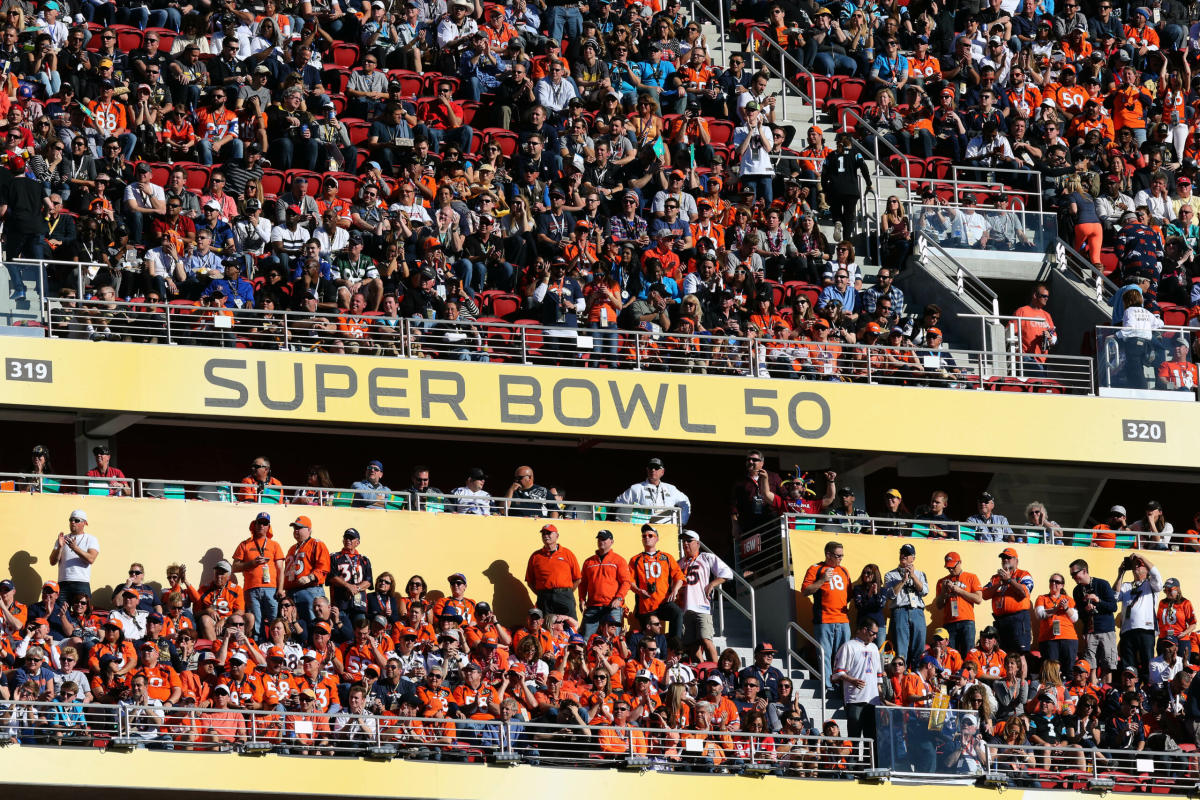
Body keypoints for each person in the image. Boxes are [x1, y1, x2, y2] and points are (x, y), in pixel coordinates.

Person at [800, 541, 851, 692]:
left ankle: (842, 685)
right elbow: (805, 591)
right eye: (838, 556)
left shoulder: (844, 570)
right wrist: (822, 580)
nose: (841, 559)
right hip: (824, 619)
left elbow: (848, 595)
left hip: (843, 620)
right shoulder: (815, 568)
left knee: (843, 656)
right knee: (825, 655)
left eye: (842, 555)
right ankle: (828, 686)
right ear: (828, 555)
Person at [677, 530, 732, 663]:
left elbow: (727, 573)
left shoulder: (706, 557)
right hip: (684, 608)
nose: (685, 543)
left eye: (689, 541)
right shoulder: (679, 562)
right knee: (692, 647)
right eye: (683, 541)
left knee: (706, 640)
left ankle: (716, 671)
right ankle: (704, 671)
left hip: (702, 607)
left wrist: (713, 583)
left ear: (698, 543)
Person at [231, 512, 286, 639]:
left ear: (268, 527)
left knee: (274, 620)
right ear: (254, 525)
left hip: (272, 589)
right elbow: (234, 567)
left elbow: (280, 569)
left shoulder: (274, 545)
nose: (262, 525)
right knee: (256, 622)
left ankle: (276, 645)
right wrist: (251, 563)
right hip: (251, 589)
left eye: (265, 523)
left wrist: (280, 588)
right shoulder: (245, 544)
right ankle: (258, 646)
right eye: (259, 523)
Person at [628, 523, 685, 640]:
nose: (647, 538)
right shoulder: (635, 559)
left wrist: (675, 590)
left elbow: (679, 577)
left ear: (657, 538)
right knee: (651, 638)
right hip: (646, 606)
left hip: (664, 602)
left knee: (677, 613)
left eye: (650, 535)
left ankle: (675, 647)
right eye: (644, 536)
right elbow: (629, 581)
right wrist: (638, 591)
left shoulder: (667, 557)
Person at [833, 618, 883, 740]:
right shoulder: (848, 646)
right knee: (854, 736)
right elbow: (837, 672)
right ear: (865, 630)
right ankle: (853, 759)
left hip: (872, 699)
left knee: (871, 737)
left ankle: (869, 760)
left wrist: (880, 693)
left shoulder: (874, 648)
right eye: (873, 633)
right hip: (855, 699)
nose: (875, 636)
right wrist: (852, 680)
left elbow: (878, 675)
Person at [1115, 553, 1162, 681]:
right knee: (1128, 665)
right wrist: (1120, 573)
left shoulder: (1150, 584)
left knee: (1148, 662)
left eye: (1139, 565)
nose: (1136, 567)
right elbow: (1114, 596)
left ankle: (1148, 687)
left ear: (1146, 569)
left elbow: (1156, 575)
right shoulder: (1126, 585)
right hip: (1127, 631)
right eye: (1134, 565)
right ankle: (1130, 691)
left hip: (1146, 630)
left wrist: (1141, 556)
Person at [578, 529, 631, 641]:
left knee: (613, 639)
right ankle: (588, 658)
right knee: (588, 639)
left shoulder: (618, 560)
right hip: (593, 606)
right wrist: (582, 599)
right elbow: (582, 583)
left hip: (612, 606)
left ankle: (613, 659)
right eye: (599, 538)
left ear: (611, 541)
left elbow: (626, 582)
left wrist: (619, 598)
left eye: (604, 538)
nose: (601, 541)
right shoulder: (588, 562)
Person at [1070, 558, 1119, 677]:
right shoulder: (1077, 590)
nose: (1073, 577)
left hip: (1106, 630)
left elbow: (1113, 607)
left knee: (1108, 666)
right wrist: (1085, 610)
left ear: (1084, 571)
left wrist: (1098, 601)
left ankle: (1107, 692)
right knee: (1090, 666)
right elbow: (1079, 614)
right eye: (1071, 575)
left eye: (1075, 574)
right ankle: (1093, 691)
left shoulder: (1102, 584)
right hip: (1090, 631)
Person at [982, 547, 1034, 659]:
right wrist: (999, 583)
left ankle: (1022, 678)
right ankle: (1007, 676)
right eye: (1003, 558)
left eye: (1008, 558)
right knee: (1002, 653)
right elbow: (984, 595)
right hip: (1001, 620)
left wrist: (1009, 580)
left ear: (1016, 561)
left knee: (1020, 654)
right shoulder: (995, 578)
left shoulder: (1023, 574)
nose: (1005, 560)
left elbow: (1024, 592)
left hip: (1018, 619)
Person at [884, 543, 929, 669]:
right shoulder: (890, 575)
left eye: (907, 554)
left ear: (913, 558)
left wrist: (913, 576)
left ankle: (915, 676)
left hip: (917, 611)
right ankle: (901, 676)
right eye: (902, 553)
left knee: (919, 646)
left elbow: (924, 592)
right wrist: (903, 580)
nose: (903, 556)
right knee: (900, 647)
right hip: (900, 611)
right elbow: (891, 595)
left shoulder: (920, 574)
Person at [524, 524, 581, 621]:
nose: (546, 535)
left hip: (565, 596)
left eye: (549, 533)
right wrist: (542, 594)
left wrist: (568, 592)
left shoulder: (567, 553)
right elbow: (530, 581)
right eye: (543, 533)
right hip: (544, 597)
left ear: (557, 536)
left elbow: (578, 578)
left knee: (570, 624)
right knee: (547, 625)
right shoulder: (535, 556)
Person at [613, 457, 692, 524]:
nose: (653, 470)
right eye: (651, 467)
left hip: (667, 530)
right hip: (645, 531)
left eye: (656, 468)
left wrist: (682, 522)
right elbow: (619, 503)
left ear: (662, 471)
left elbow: (685, 502)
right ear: (647, 470)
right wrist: (624, 521)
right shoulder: (636, 488)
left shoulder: (671, 489)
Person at [283, 516, 331, 624]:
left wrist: (310, 577)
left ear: (309, 530)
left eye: (299, 527)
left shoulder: (317, 544)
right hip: (291, 592)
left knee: (313, 621)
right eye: (294, 528)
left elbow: (323, 567)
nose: (296, 530)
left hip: (310, 589)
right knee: (293, 623)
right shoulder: (292, 548)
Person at [936, 552, 983, 658]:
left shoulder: (971, 577)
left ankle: (967, 674)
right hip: (949, 623)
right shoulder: (942, 582)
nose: (950, 570)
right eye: (948, 568)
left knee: (969, 654)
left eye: (953, 567)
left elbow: (978, 599)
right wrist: (944, 592)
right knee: (950, 655)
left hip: (967, 621)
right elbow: (939, 606)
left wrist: (958, 590)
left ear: (960, 563)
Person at [49, 510, 99, 600]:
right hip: (63, 583)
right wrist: (60, 547)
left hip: (81, 582)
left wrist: (75, 548)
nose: (72, 522)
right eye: (71, 520)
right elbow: (52, 561)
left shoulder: (91, 539)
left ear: (84, 523)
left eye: (76, 520)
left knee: (82, 613)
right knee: (60, 612)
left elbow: (91, 559)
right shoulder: (62, 539)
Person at [1035, 573, 1080, 667]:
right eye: (1052, 581)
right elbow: (1039, 615)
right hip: (1048, 638)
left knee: (1069, 669)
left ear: (1062, 585)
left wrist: (1066, 608)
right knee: (1051, 670)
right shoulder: (1042, 598)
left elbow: (1075, 618)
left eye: (1057, 582)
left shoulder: (1068, 599)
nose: (1054, 583)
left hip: (1068, 638)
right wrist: (1056, 609)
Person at [1012, 284, 1057, 375]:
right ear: (1035, 296)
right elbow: (1010, 333)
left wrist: (1050, 337)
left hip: (1042, 360)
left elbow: (1054, 339)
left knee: (1041, 386)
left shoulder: (1047, 315)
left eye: (1047, 296)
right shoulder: (1022, 311)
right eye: (1043, 296)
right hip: (1027, 357)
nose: (1046, 298)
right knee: (1041, 383)